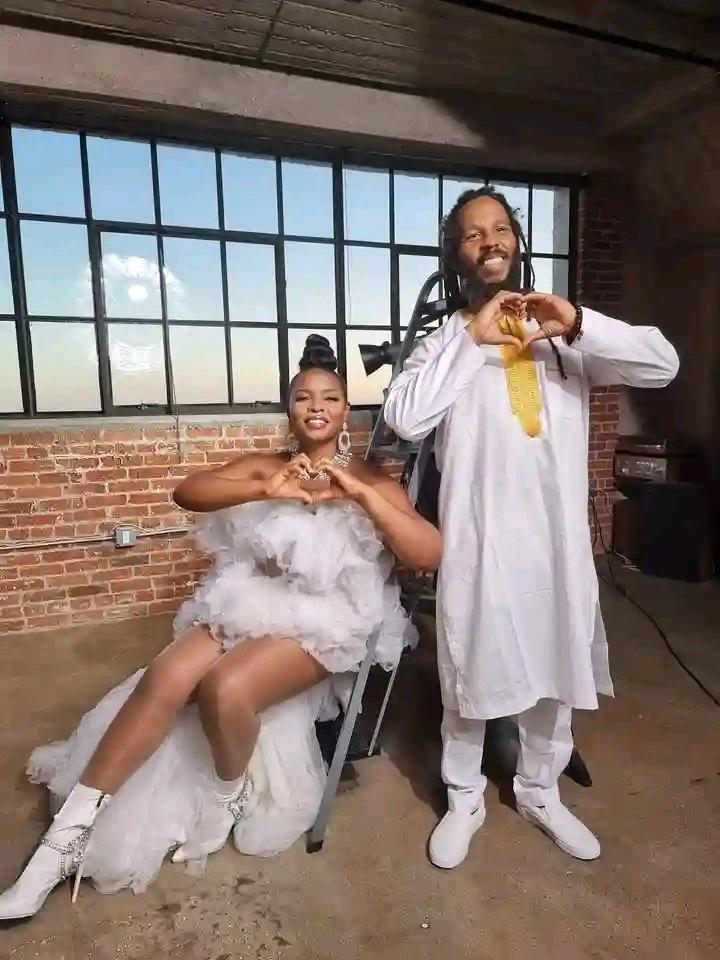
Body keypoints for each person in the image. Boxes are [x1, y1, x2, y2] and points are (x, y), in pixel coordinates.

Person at [0, 335, 441, 920]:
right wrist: (267, 487)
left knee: (224, 688)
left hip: (327, 616)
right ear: (289, 408)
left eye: (330, 398)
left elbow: (428, 553)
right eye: (303, 397)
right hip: (253, 599)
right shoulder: (267, 466)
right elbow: (188, 491)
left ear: (345, 411)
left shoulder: (373, 478)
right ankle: (62, 845)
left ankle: (226, 796)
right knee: (163, 677)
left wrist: (358, 493)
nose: (316, 407)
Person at [383, 187, 679, 869]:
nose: (489, 241)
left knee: (555, 663)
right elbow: (405, 419)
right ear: (455, 255)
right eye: (472, 234)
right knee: (469, 669)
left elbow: (663, 366)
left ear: (517, 242)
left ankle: (540, 791)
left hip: (556, 544)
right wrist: (472, 340)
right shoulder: (444, 342)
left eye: (499, 229)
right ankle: (464, 796)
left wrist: (576, 321)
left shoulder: (565, 338)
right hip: (481, 541)